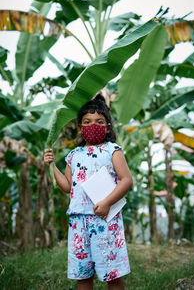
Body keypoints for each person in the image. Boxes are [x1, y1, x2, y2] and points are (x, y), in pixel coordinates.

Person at [44, 94, 133, 290]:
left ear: (108, 126)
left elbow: (126, 180)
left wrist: (107, 202)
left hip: (105, 220)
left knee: (113, 274)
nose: (93, 125)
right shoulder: (73, 155)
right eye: (87, 121)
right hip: (78, 222)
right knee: (82, 275)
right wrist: (52, 166)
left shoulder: (113, 150)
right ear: (80, 127)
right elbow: (68, 186)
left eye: (99, 121)